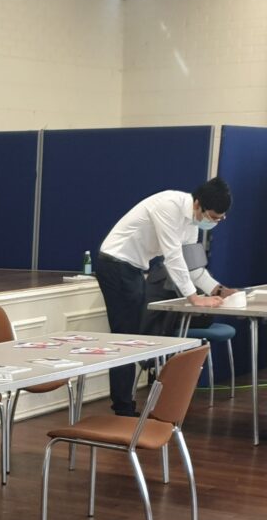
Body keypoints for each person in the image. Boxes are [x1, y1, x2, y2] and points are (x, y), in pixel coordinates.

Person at [95, 177, 235, 416]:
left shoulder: (192, 221)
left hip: (133, 268)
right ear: (198, 204)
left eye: (220, 219)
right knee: (124, 338)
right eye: (212, 217)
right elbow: (173, 258)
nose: (214, 223)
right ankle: (123, 408)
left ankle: (124, 405)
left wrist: (217, 290)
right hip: (116, 265)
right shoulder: (168, 206)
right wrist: (194, 298)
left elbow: (192, 266)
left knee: (129, 337)